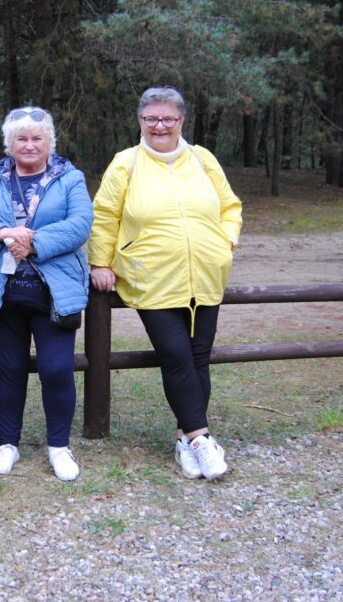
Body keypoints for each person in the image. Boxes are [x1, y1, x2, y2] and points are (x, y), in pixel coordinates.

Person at [88, 87, 242, 480]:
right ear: (140, 121)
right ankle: (201, 439)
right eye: (151, 118)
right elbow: (105, 215)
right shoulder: (126, 163)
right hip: (151, 277)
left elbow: (230, 206)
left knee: (198, 356)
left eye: (168, 118)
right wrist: (100, 261)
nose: (160, 125)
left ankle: (185, 438)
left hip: (205, 274)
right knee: (175, 354)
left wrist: (225, 242)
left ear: (181, 121)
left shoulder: (203, 159)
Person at [0, 106, 93, 481]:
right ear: (10, 143)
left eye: (37, 138)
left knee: (56, 369)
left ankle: (59, 446)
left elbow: (80, 224)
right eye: (22, 138)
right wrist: (6, 234)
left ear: (50, 142)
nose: (29, 145)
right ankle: (7, 444)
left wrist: (33, 245)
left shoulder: (70, 178)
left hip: (55, 292)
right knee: (10, 370)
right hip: (3, 293)